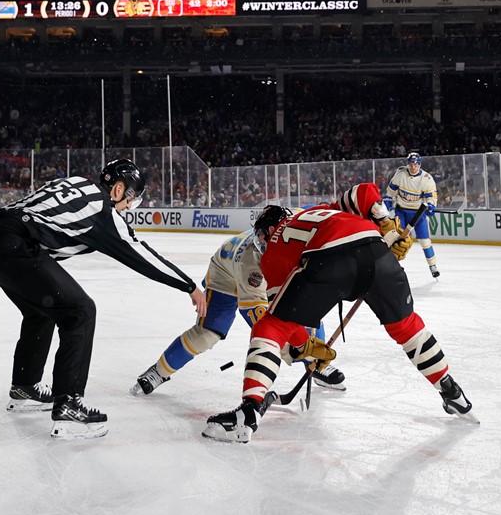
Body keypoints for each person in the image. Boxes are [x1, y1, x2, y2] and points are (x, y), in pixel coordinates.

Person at [202, 184, 475, 443]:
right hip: (377, 252)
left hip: (330, 261)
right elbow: (364, 192)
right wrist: (387, 227)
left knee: (270, 326)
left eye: (261, 236)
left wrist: (305, 347)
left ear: (271, 229)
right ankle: (452, 392)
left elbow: (286, 321)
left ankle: (248, 413)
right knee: (407, 328)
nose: (261, 244)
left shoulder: (273, 250)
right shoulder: (319, 210)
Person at [0, 158, 204, 440]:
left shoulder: (75, 182)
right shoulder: (103, 211)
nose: (128, 208)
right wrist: (189, 286)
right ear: (118, 190)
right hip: (16, 245)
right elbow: (141, 255)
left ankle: (26, 387)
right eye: (130, 200)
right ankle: (69, 404)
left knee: (42, 310)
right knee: (80, 312)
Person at [129, 225, 347, 396]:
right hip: (225, 274)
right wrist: (304, 351)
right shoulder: (251, 265)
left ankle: (316, 365)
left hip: (275, 266)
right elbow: (266, 326)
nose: (265, 251)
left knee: (306, 308)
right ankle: (159, 371)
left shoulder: (302, 232)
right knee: (207, 334)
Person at [386, 151, 441, 279]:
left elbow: (431, 197)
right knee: (396, 238)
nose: (413, 167)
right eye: (411, 164)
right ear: (408, 164)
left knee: (424, 241)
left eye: (416, 164)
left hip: (418, 213)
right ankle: (391, 266)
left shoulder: (426, 179)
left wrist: (431, 206)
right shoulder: (400, 174)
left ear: (419, 165)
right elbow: (390, 191)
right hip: (401, 211)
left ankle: (432, 266)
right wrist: (388, 200)